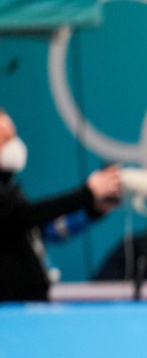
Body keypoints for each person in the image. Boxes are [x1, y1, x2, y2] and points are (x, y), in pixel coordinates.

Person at [0, 108, 121, 302]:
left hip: (32, 303)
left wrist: (93, 210)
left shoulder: (10, 188)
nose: (13, 146)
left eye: (13, 137)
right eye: (5, 141)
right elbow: (28, 215)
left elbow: (46, 230)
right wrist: (87, 194)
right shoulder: (8, 202)